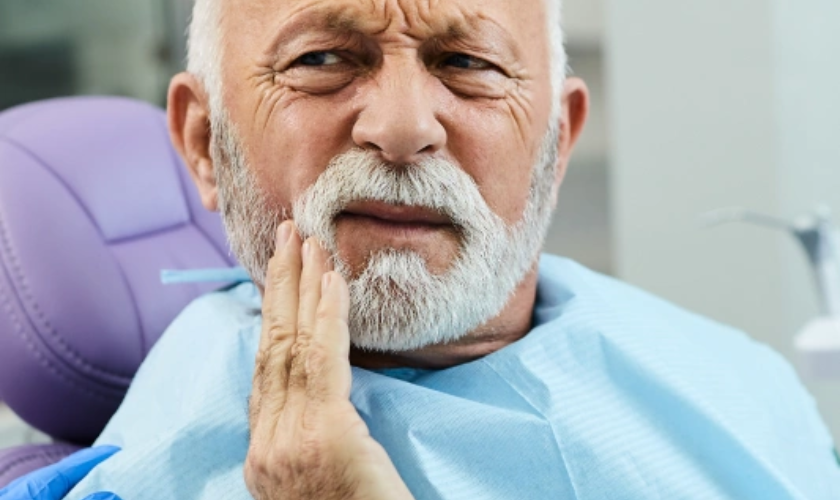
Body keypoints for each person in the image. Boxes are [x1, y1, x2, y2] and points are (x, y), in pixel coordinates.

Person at [5, 0, 840, 498]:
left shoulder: (729, 369)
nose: (402, 130)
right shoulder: (165, 473)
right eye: (322, 59)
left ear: (558, 142)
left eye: (468, 63)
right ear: (201, 141)